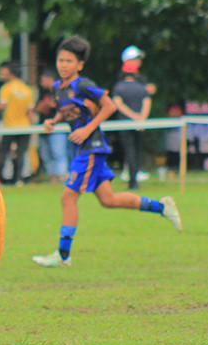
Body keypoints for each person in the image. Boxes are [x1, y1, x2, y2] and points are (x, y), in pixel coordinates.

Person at [32, 36, 182, 268]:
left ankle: (62, 256)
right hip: (87, 148)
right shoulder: (57, 88)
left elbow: (109, 106)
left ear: (79, 65)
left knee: (68, 197)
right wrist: (53, 120)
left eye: (69, 61)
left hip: (91, 148)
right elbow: (69, 111)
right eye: (61, 60)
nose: (63, 65)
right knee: (108, 200)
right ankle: (162, 207)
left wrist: (87, 128)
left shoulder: (83, 84)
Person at [0, 61, 35, 185]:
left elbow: (2, 105)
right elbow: (30, 112)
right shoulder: (27, 89)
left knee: (4, 153)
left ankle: (0, 180)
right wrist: (32, 127)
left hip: (9, 127)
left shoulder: (6, 88)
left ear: (11, 75)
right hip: (25, 126)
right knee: (21, 153)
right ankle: (18, 180)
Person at [111, 70, 152, 190]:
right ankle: (134, 180)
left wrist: (132, 116)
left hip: (124, 124)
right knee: (137, 151)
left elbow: (118, 104)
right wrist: (141, 119)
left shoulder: (118, 87)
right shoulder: (142, 88)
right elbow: (147, 103)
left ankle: (132, 181)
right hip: (140, 124)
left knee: (129, 151)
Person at [33, 68, 69, 184]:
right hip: (43, 128)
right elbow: (38, 108)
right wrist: (46, 105)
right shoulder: (43, 93)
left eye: (43, 80)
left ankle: (61, 176)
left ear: (50, 79)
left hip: (58, 128)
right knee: (46, 154)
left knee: (58, 152)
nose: (41, 83)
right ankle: (52, 177)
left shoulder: (60, 90)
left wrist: (46, 105)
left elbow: (56, 105)